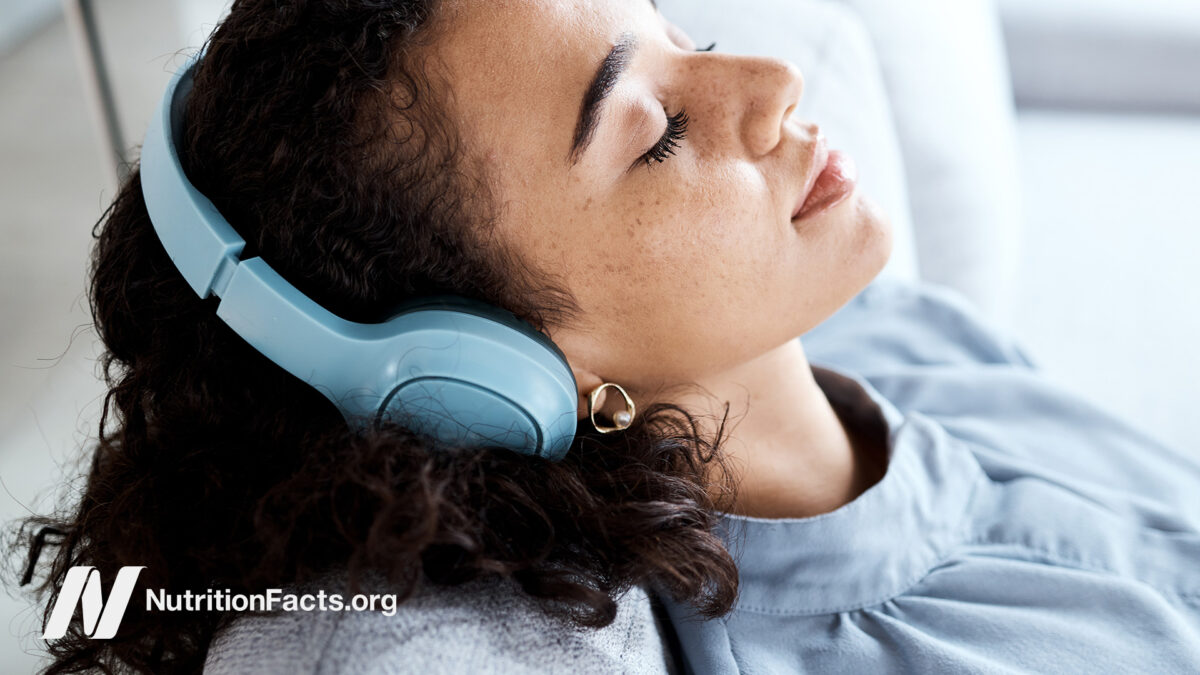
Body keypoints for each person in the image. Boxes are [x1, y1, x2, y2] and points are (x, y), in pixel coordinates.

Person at [12, 0, 1199, 673]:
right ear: (484, 373)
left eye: (684, 29)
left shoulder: (910, 341)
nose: (774, 78)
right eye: (657, 132)